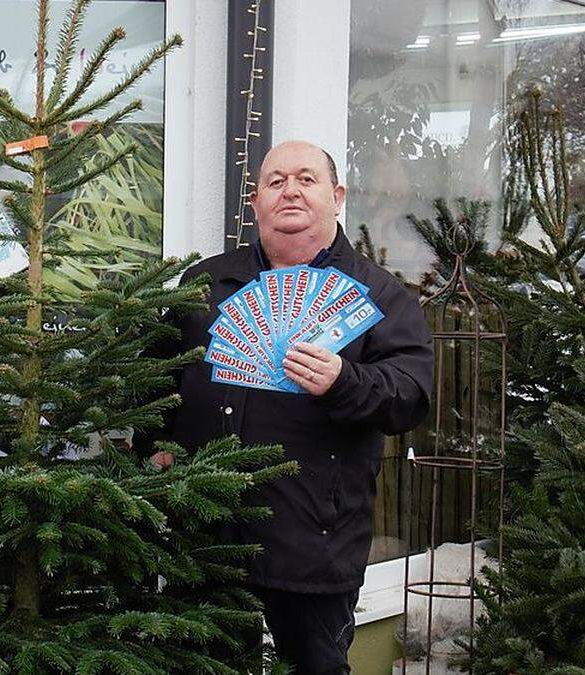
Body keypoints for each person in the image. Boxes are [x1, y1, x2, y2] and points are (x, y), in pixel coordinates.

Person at [145, 140, 433, 674]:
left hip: (315, 541)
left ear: (336, 196)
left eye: (306, 179)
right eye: (275, 181)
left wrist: (345, 379)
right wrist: (157, 445)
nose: (290, 191)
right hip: (210, 531)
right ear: (256, 200)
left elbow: (409, 398)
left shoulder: (380, 296)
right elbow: (160, 377)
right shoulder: (207, 283)